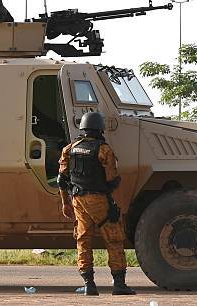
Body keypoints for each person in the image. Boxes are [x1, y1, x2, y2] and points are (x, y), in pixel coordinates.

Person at [57, 112, 136, 296]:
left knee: (83, 239)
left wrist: (65, 203)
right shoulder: (104, 150)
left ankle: (89, 284)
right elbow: (111, 179)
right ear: (100, 129)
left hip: (77, 199)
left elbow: (62, 179)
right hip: (98, 199)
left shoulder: (70, 148)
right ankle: (119, 284)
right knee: (114, 238)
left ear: (83, 128)